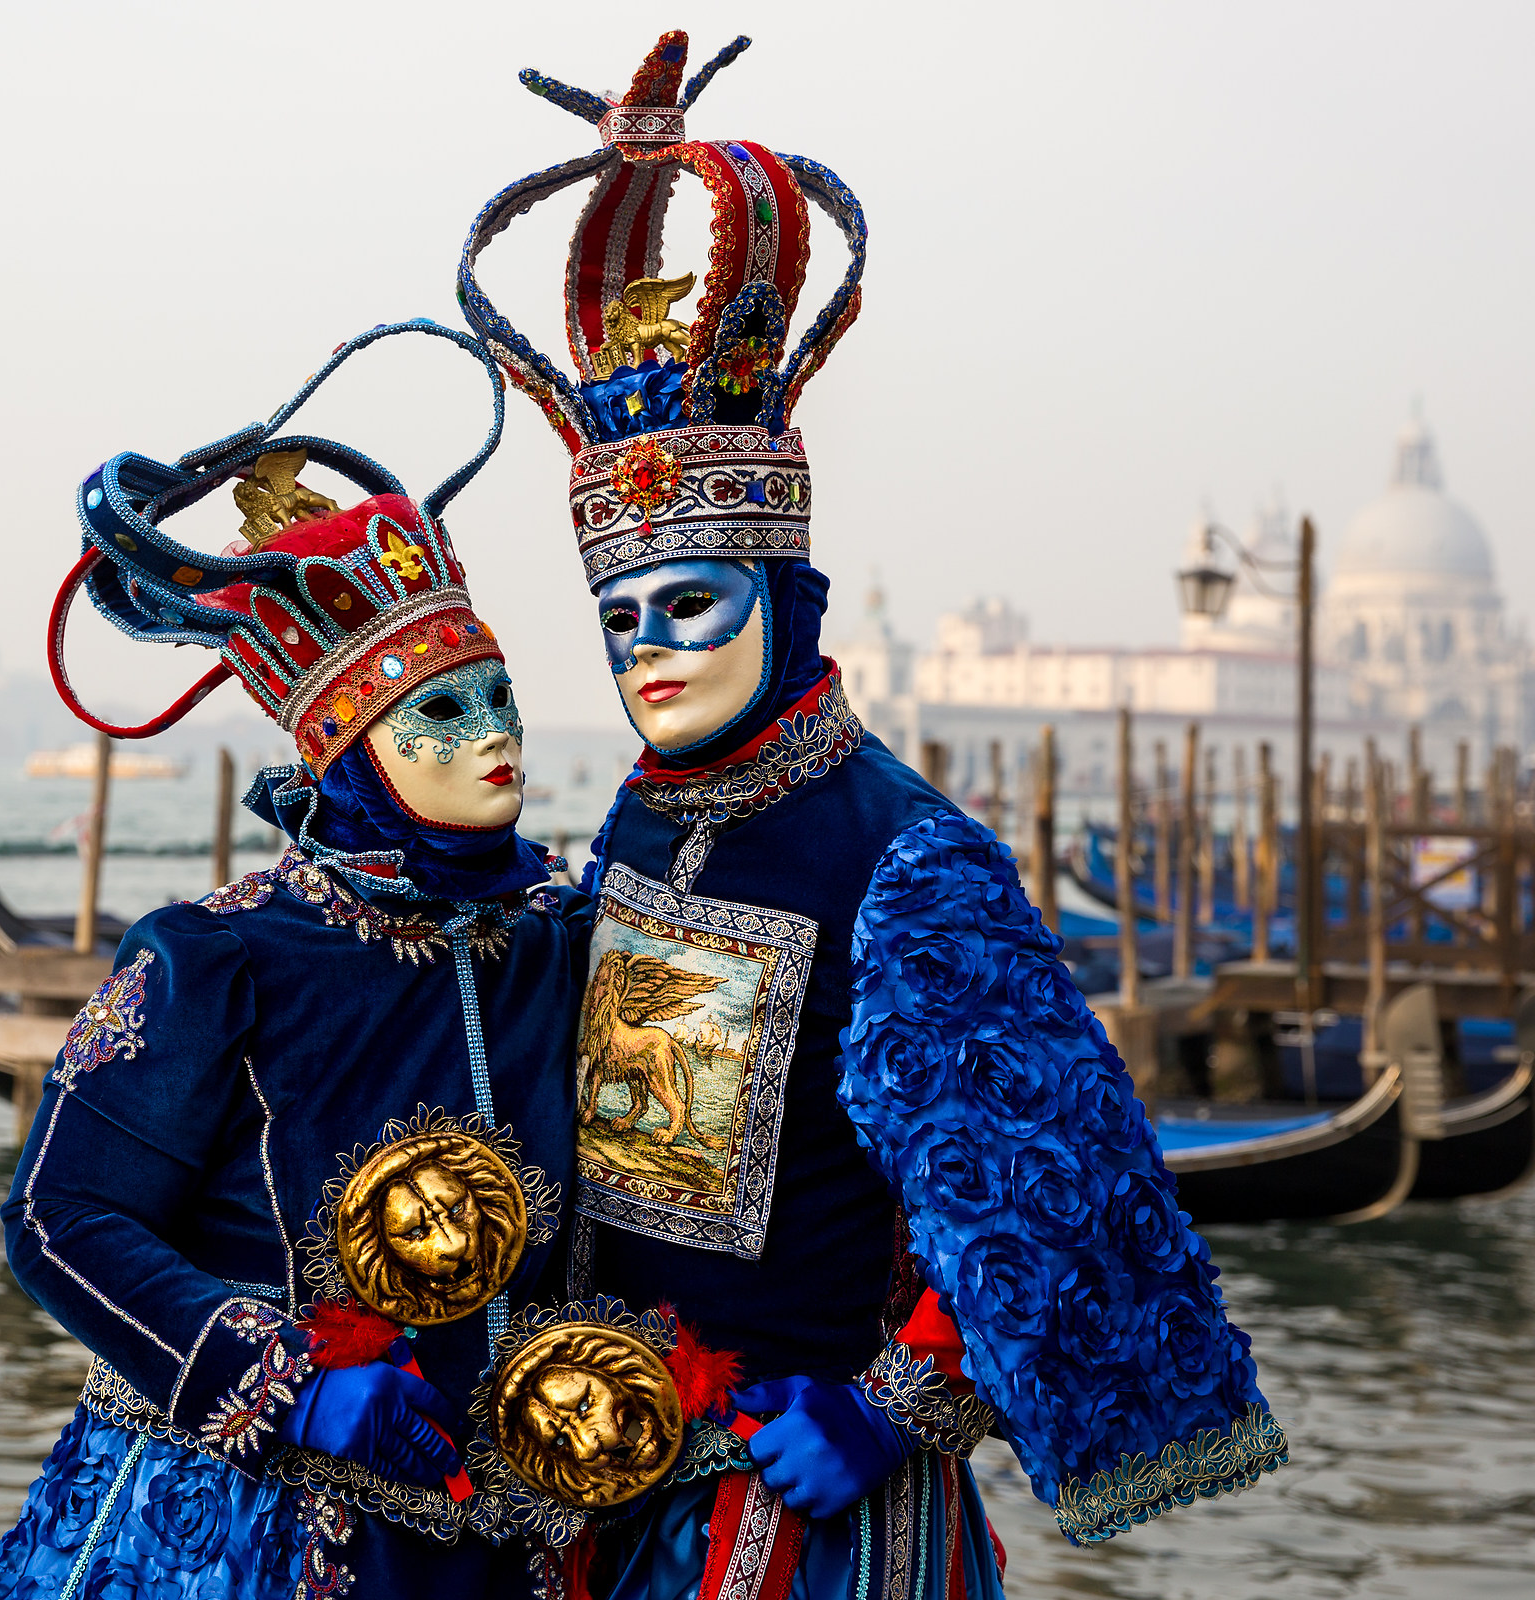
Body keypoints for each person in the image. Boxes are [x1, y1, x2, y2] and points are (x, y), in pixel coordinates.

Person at [454, 32, 1287, 1596]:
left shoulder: (903, 861)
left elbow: (1053, 1194)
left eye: (688, 604)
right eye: (619, 621)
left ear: (786, 592)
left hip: (815, 1507)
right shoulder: (640, 823)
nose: (649, 652)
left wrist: (893, 1409)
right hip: (604, 1481)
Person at [0, 321, 578, 1599]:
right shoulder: (219, 958)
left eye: (500, 699)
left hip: (508, 1527)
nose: (495, 738)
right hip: (251, 1523)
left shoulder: (561, 940)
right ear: (354, 748)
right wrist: (282, 1384)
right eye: (442, 713)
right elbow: (54, 1218)